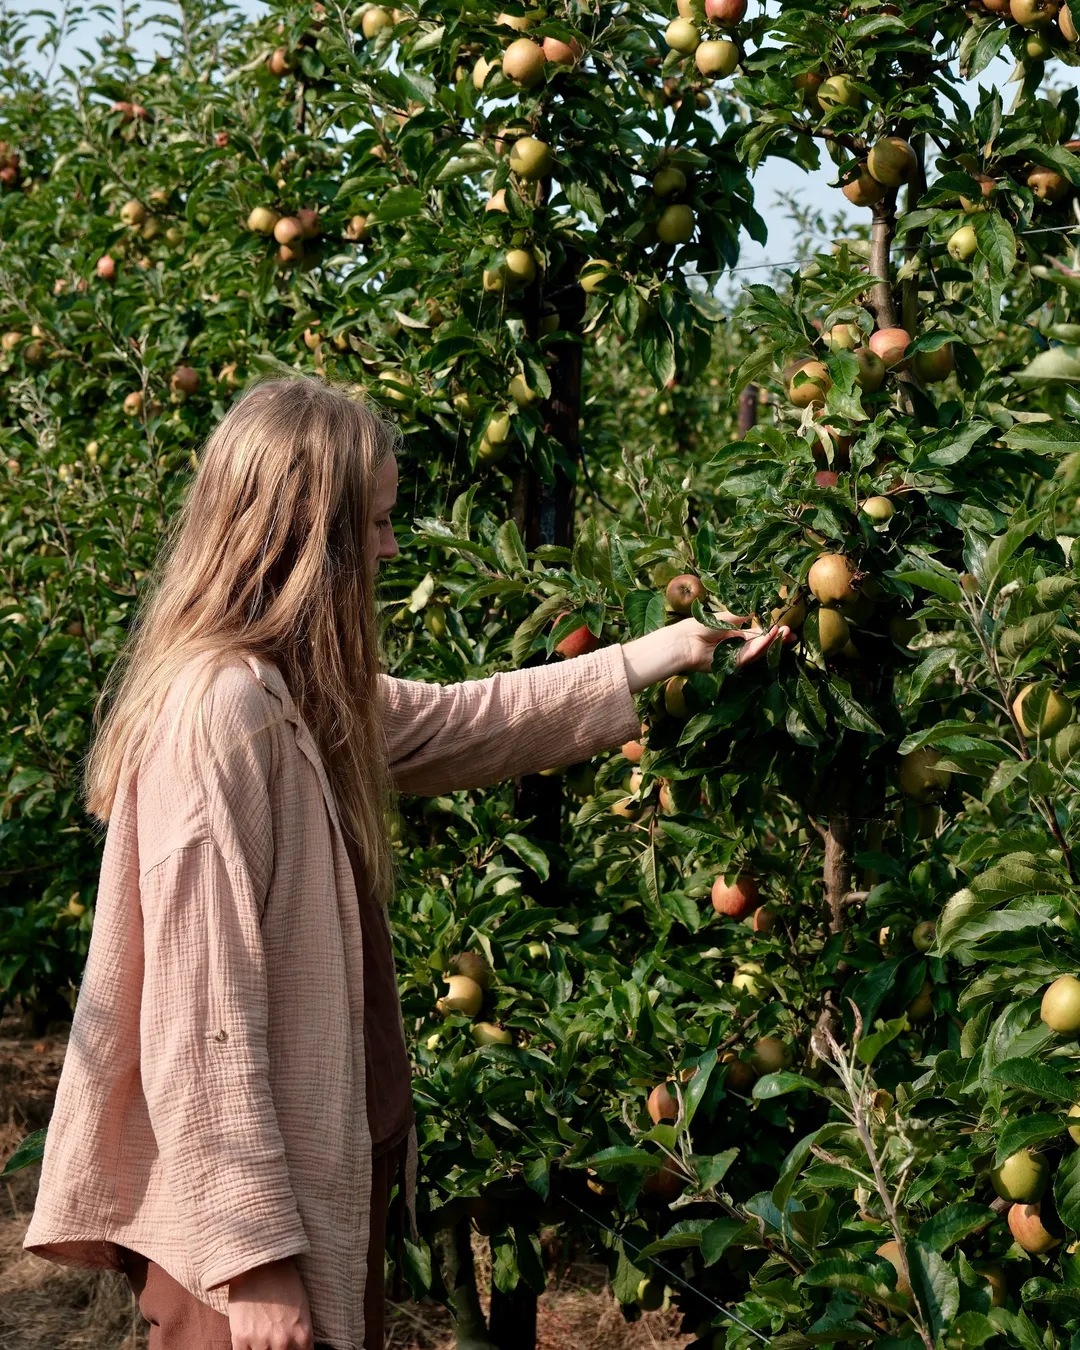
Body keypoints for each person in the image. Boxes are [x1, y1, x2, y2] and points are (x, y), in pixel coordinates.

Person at [21, 376, 783, 1350]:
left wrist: (671, 654)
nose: (389, 548)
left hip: (310, 1190)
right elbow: (199, 1016)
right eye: (373, 524)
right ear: (306, 534)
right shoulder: (225, 716)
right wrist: (255, 1263)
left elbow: (479, 719)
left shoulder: (294, 691)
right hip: (244, 1244)